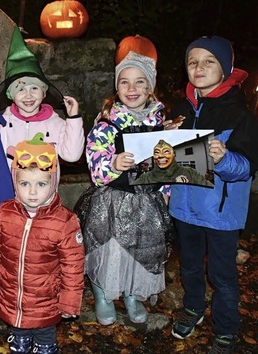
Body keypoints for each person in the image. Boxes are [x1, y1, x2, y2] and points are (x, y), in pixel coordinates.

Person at [167, 36, 258, 354]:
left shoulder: (239, 115)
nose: (199, 67)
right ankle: (193, 308)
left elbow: (245, 169)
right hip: (183, 207)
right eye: (193, 61)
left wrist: (222, 158)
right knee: (190, 265)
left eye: (209, 61)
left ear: (226, 68)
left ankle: (226, 330)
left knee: (221, 274)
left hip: (220, 212)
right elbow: (169, 159)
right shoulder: (180, 110)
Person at [82, 51, 173, 326]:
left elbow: (168, 162)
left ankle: (133, 294)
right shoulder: (107, 123)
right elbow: (96, 167)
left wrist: (165, 192)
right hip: (114, 200)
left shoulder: (160, 122)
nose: (132, 89)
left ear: (150, 87)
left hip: (148, 201)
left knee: (140, 250)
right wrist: (114, 163)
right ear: (116, 87)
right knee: (110, 250)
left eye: (139, 82)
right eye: (124, 82)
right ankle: (103, 294)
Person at [0, 136, 84, 354]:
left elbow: (73, 266)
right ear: (15, 182)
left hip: (46, 298)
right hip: (11, 292)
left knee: (44, 331)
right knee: (18, 327)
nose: (32, 192)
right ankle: (20, 341)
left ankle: (45, 346)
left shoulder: (65, 221)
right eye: (24, 183)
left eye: (41, 184)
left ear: (53, 183)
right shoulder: (4, 212)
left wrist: (69, 301)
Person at [0, 26, 84, 181]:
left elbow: (72, 155)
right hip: (10, 195)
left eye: (34, 88)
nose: (28, 95)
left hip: (45, 197)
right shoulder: (3, 123)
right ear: (11, 95)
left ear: (44, 92)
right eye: (20, 89)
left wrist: (73, 118)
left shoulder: (55, 124)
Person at [132, 139, 213, 187]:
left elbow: (209, 189)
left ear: (173, 154)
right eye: (157, 152)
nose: (161, 156)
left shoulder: (190, 173)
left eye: (166, 152)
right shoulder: (146, 177)